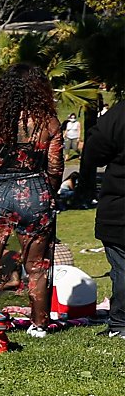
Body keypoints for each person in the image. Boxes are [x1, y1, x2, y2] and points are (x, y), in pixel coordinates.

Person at [0, 64, 67, 337]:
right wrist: (47, 195)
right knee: (36, 267)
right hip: (34, 192)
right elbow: (55, 168)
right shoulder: (49, 121)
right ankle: (39, 325)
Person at [79, 91, 125, 339]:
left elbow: (94, 152)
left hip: (119, 206)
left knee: (122, 267)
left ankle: (121, 324)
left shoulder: (119, 115)